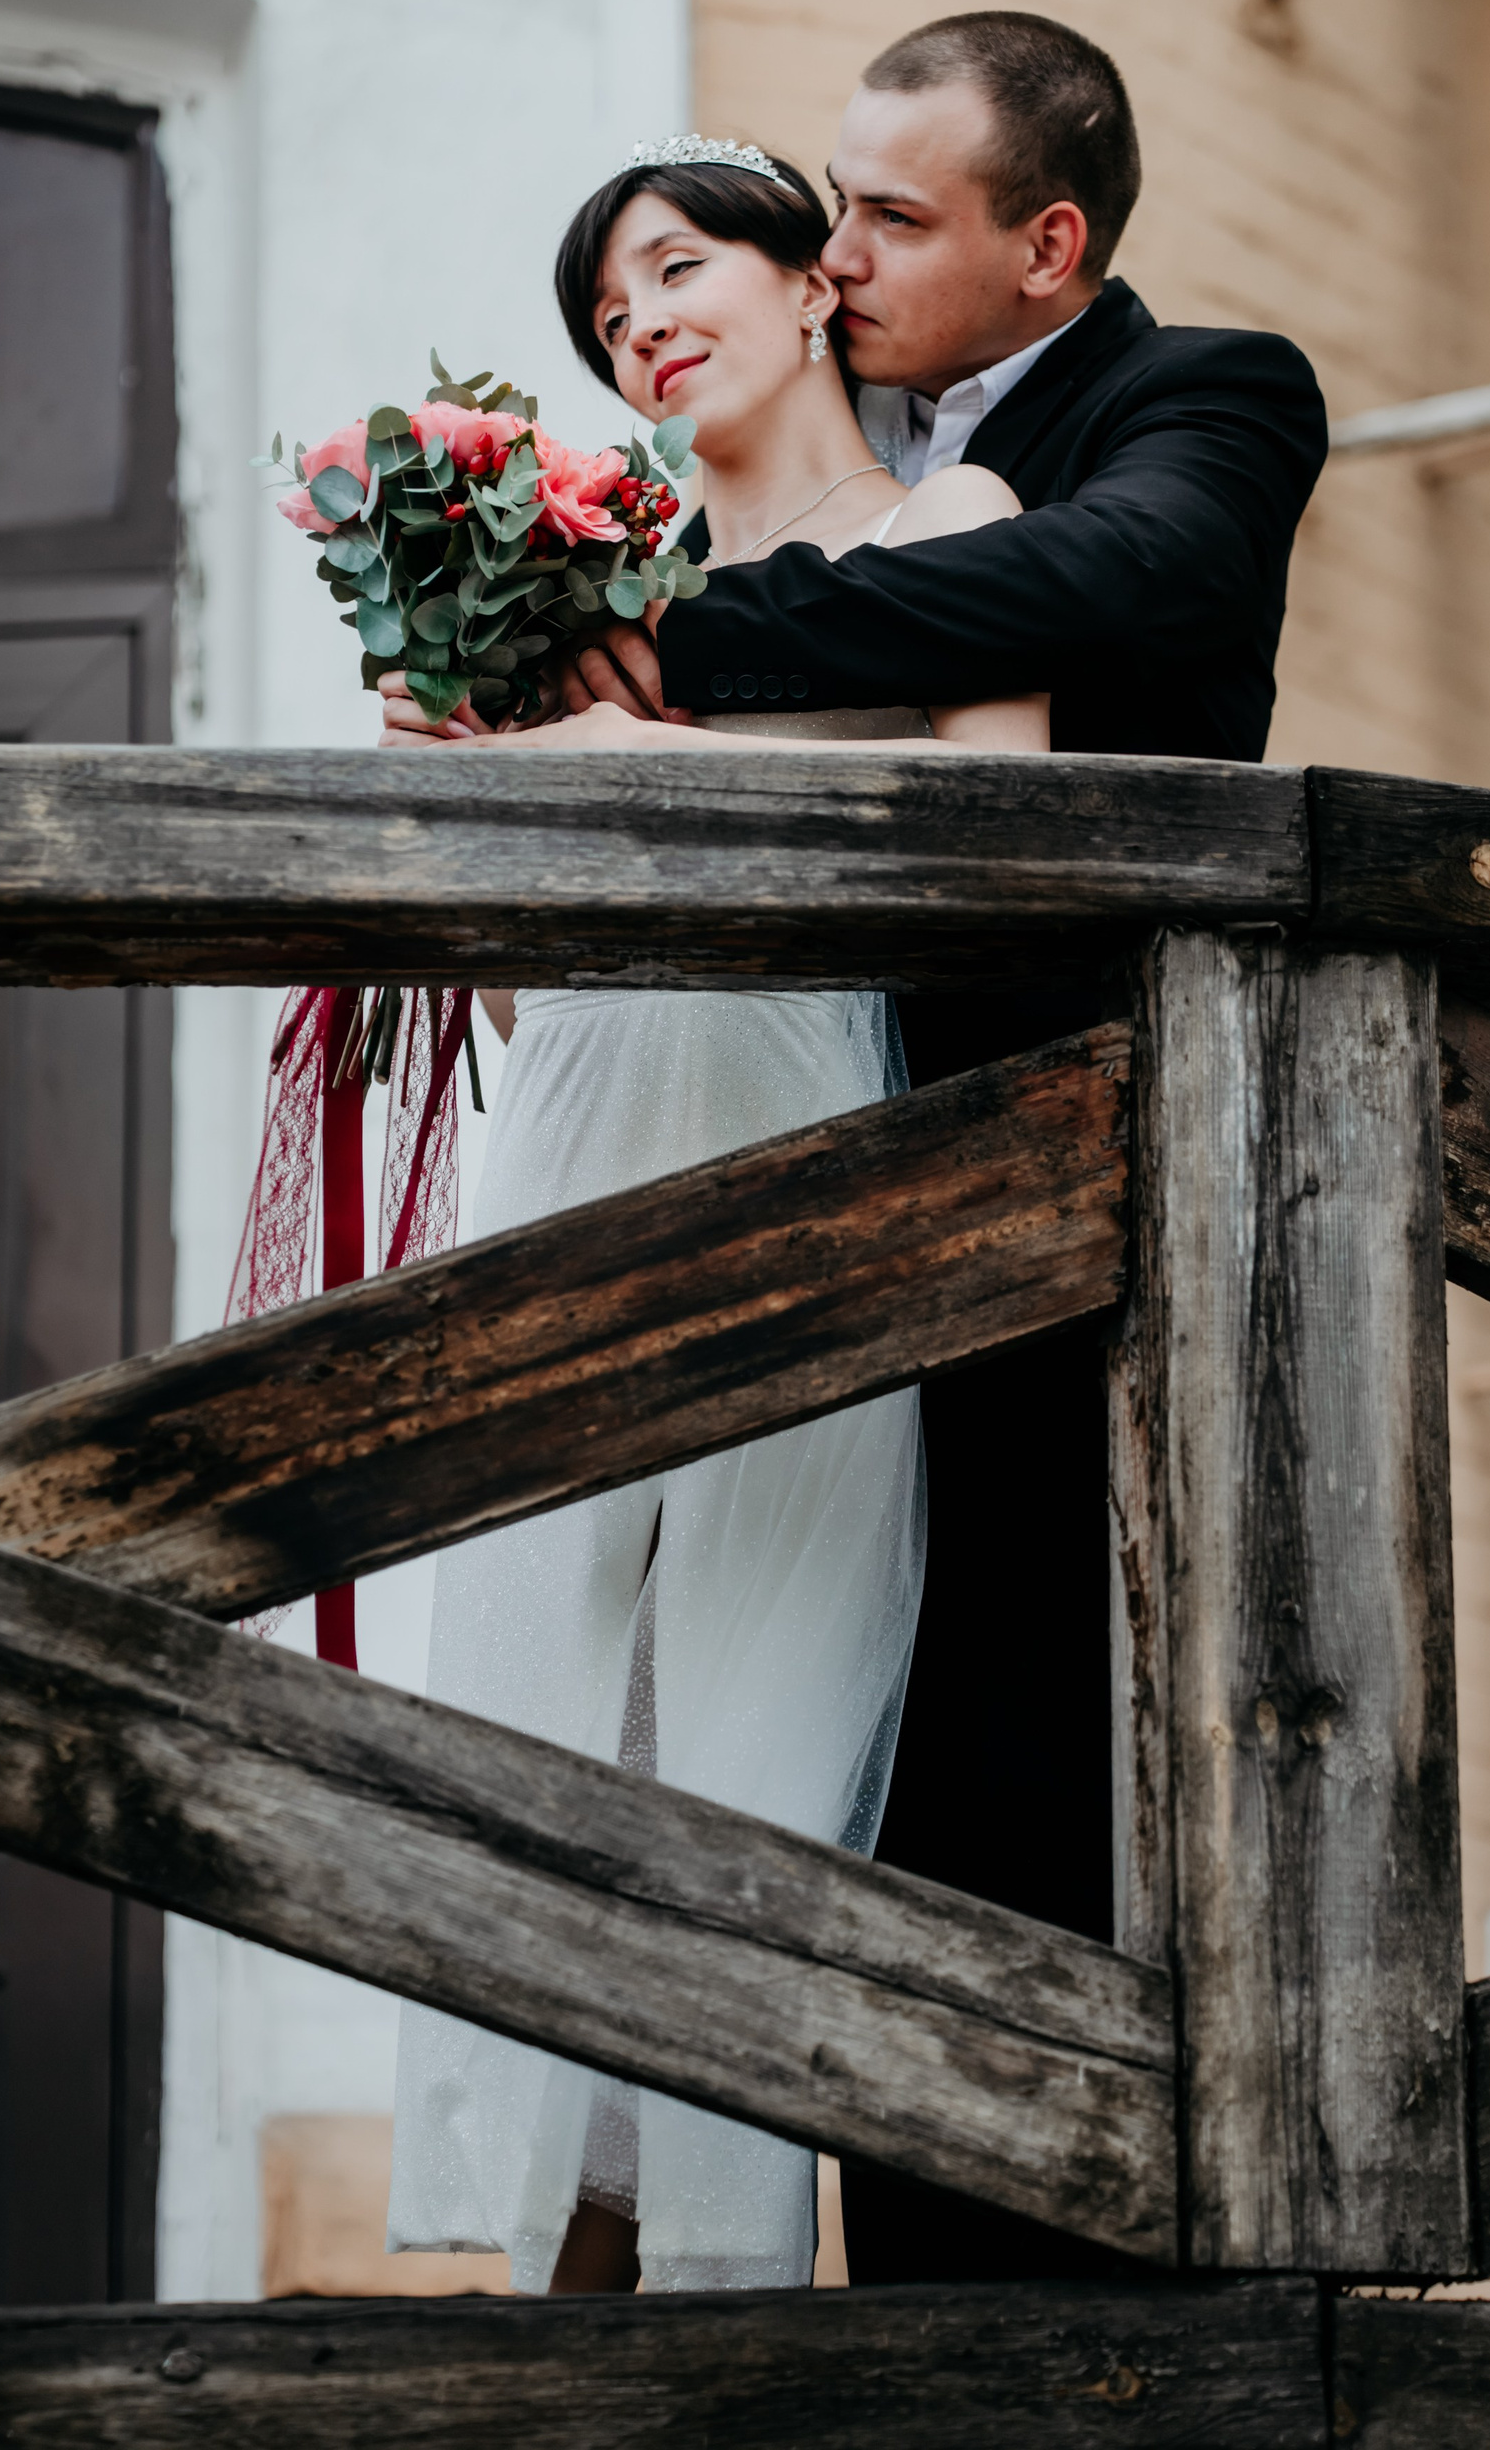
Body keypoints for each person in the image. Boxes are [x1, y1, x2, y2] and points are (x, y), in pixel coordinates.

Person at [531, 15, 1329, 2286]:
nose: (840, 246)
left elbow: (1095, 591)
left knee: (1031, 1765)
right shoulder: (803, 436)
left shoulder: (1199, 401)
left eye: (891, 215)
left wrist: (654, 659)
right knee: (725, 1740)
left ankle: (1039, 2329)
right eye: (835, 203)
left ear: (1047, 245)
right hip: (787, 1158)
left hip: (1082, 1190)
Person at [378, 134, 1054, 2298]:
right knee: (543, 1713)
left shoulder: (947, 525)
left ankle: (726, 2303)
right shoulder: (604, 594)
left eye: (678, 269)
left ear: (810, 282)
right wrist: (467, 758)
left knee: (757, 1716)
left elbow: (1010, 826)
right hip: (580, 1141)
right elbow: (515, 968)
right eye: (608, 315)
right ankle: (554, 2310)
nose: (643, 325)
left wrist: (594, 774)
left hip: (804, 1154)